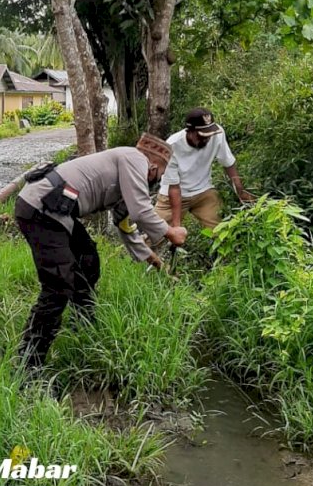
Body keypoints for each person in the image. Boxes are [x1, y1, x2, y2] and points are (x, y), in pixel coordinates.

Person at [15, 133, 188, 370]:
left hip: (55, 211)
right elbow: (141, 212)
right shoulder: (134, 158)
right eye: (159, 176)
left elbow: (127, 226)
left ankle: (83, 326)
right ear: (154, 167)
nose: (156, 181)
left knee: (88, 260)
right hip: (41, 209)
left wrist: (156, 263)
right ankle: (29, 363)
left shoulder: (126, 175)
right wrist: (171, 232)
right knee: (58, 285)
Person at [155, 107, 255, 231]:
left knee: (222, 232)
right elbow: (174, 188)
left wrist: (240, 191)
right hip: (173, 195)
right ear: (189, 131)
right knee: (154, 235)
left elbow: (228, 162)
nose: (207, 139)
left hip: (204, 191)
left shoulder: (217, 134)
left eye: (209, 134)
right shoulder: (172, 145)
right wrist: (176, 227)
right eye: (202, 136)